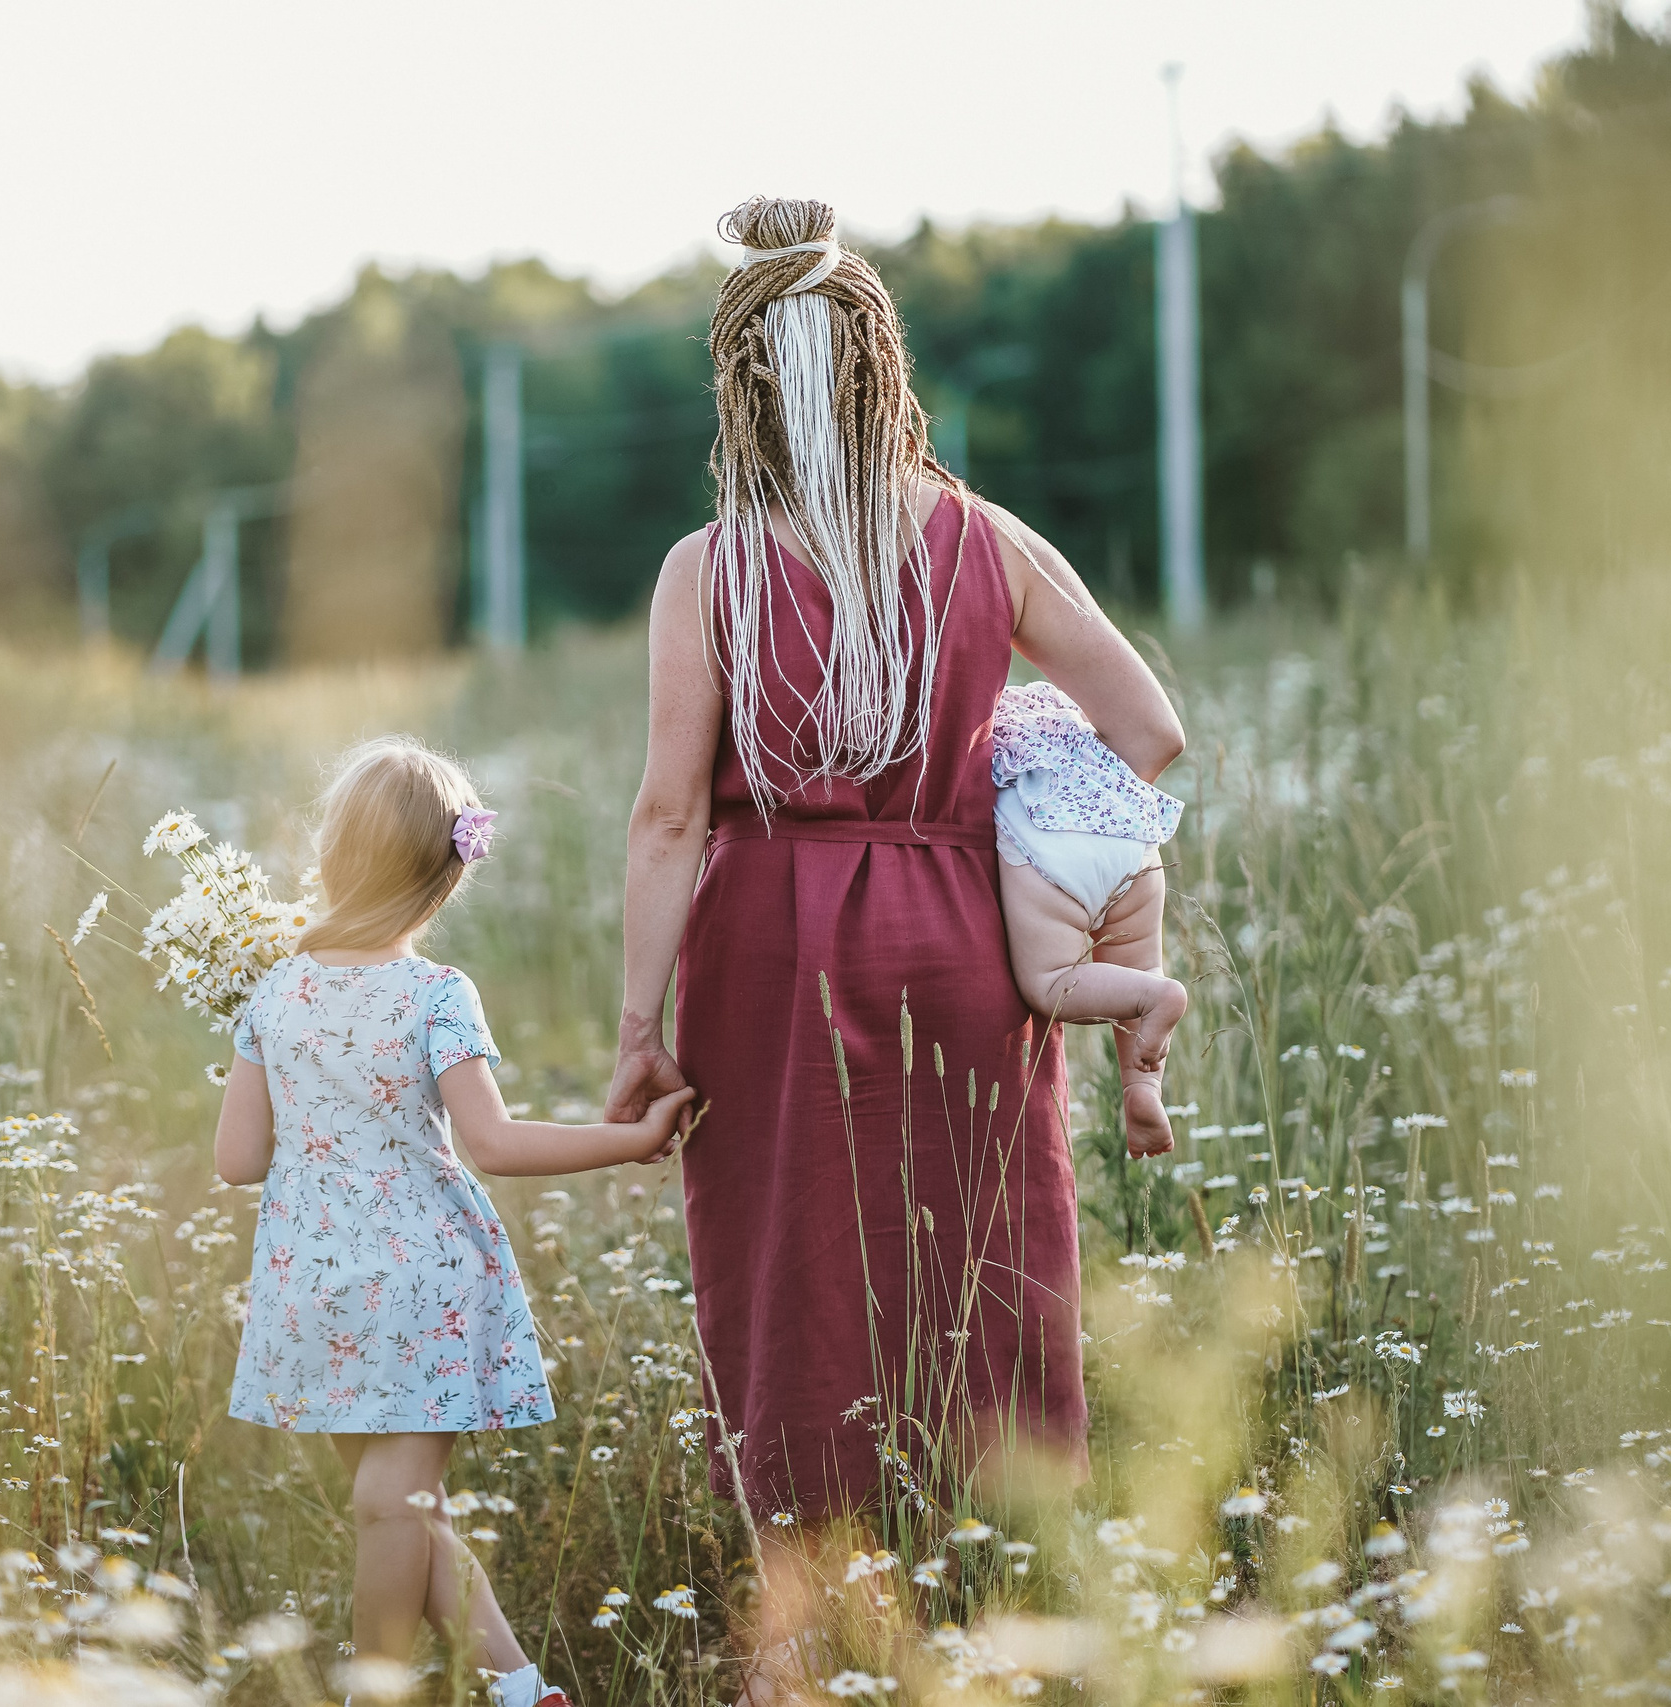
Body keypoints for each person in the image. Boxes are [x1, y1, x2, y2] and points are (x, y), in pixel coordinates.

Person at [603, 197, 1187, 1696]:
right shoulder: (983, 535)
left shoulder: (706, 568)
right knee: (981, 1263)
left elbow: (670, 813)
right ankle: (999, 1596)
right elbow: (1153, 731)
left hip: (764, 957)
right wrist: (1013, 772)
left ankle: (815, 1630)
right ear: (882, 365)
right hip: (962, 937)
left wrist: (633, 1030)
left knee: (796, 1278)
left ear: (741, 387)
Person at [213, 736, 695, 1707]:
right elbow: (496, 1143)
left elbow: (237, 1160)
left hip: (314, 1282)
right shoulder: (435, 993)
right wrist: (631, 1139)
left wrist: (304, 1094)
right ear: (444, 876)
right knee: (401, 1510)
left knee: (394, 1508)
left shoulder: (273, 993)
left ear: (333, 856)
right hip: (418, 1283)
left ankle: (516, 1690)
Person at [989, 679, 1189, 1153]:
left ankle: (1154, 996)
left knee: (1053, 980)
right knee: (1139, 968)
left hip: (1051, 842)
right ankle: (1142, 1088)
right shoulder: (1064, 716)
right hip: (1130, 836)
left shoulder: (991, 728)